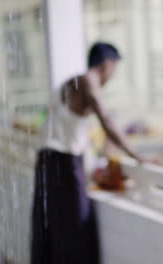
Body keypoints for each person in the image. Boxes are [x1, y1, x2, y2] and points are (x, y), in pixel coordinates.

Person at [31, 42, 144, 264]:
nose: (112, 75)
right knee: (77, 226)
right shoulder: (88, 80)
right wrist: (137, 155)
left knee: (49, 225)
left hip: (46, 159)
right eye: (115, 69)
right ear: (108, 64)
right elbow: (107, 122)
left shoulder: (68, 83)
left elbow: (68, 126)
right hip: (64, 163)